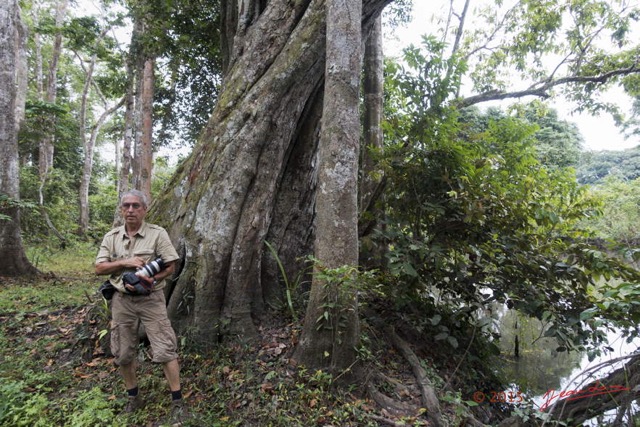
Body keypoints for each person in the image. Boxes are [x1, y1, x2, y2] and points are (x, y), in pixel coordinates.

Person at [95, 189, 188, 425]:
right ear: (121, 209)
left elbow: (171, 264)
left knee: (165, 348)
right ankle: (133, 397)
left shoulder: (157, 234)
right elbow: (99, 268)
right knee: (123, 352)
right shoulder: (112, 237)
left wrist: (152, 278)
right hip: (121, 300)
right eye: (126, 206)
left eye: (136, 206)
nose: (130, 210)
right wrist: (125, 262)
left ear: (144, 209)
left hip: (151, 299)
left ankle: (177, 401)